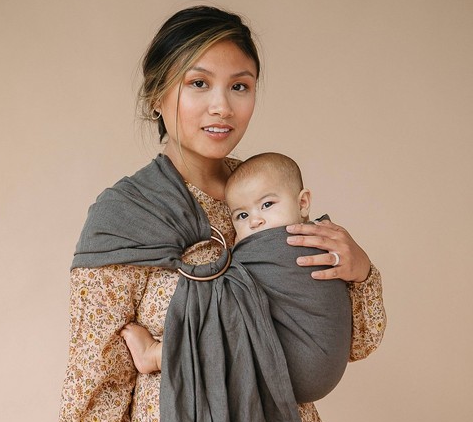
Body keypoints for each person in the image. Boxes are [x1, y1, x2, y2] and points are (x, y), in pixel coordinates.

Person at [59, 5, 387, 422]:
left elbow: (353, 343)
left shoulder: (266, 195)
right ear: (157, 94)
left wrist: (361, 273)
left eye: (240, 86)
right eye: (198, 83)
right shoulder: (125, 217)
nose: (222, 107)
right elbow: (96, 386)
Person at [121, 151, 353, 404]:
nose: (255, 221)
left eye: (267, 204)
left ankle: (157, 355)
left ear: (303, 203)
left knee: (220, 311)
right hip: (317, 371)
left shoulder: (314, 244)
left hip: (296, 363)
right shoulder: (325, 239)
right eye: (242, 215)